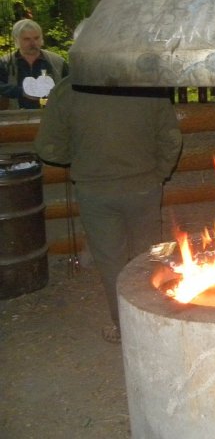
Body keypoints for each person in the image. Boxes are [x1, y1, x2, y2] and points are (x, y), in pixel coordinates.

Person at [34, 79, 183, 344]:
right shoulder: (145, 84)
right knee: (148, 257)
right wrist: (159, 174)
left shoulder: (70, 88)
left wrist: (82, 158)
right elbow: (171, 138)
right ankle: (156, 323)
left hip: (96, 191)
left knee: (111, 263)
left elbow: (48, 147)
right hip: (143, 188)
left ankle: (125, 328)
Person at [1, 19, 68, 109]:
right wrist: (21, 92)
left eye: (36, 38)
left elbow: (71, 86)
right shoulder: (5, 63)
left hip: (53, 115)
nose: (33, 43)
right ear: (16, 40)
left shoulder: (57, 62)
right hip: (16, 115)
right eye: (27, 39)